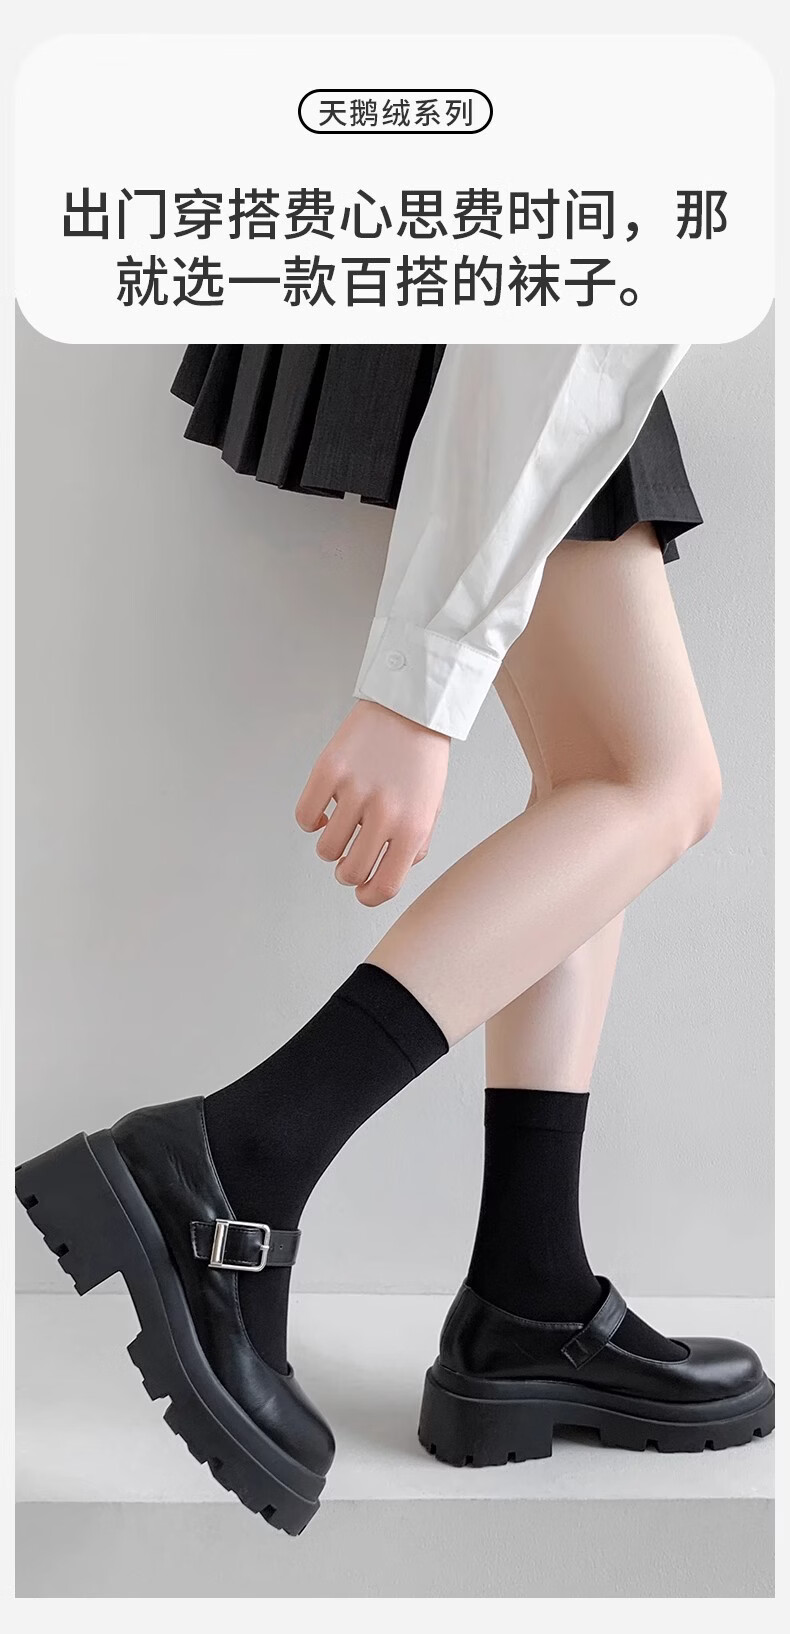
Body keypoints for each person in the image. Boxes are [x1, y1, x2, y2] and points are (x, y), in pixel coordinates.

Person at [16, 344, 774, 1537]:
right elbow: (555, 317)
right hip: (518, 329)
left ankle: (528, 1291)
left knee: (603, 775)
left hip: (506, 320)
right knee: (655, 783)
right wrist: (419, 686)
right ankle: (238, 1155)